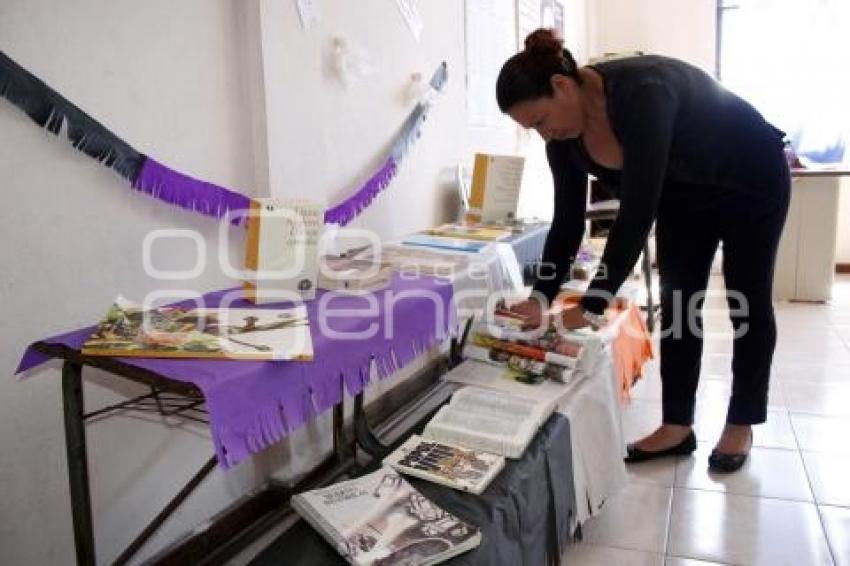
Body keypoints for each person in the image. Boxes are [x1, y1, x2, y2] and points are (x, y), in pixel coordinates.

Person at [497, 29, 790, 473]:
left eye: (539, 121)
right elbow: (568, 224)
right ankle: (677, 425)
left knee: (745, 300)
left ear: (561, 86)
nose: (543, 134)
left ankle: (742, 421)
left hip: (749, 177)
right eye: (531, 129)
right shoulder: (563, 141)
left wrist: (592, 305)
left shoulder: (643, 91)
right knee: (678, 305)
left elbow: (636, 212)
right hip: (684, 194)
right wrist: (541, 298)